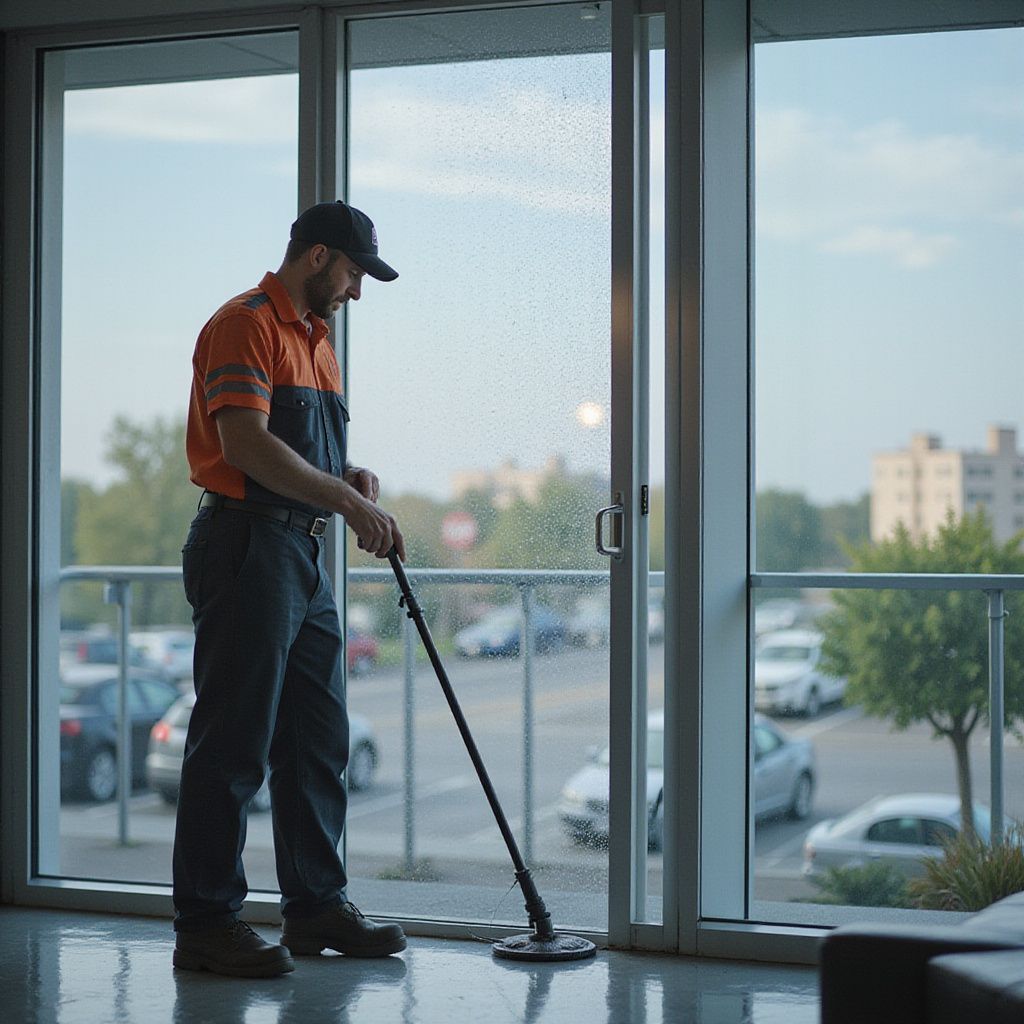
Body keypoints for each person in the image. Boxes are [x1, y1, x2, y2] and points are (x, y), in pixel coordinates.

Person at [172, 201, 407, 978]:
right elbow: (243, 443)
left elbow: (289, 448)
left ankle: (315, 909)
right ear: (316, 258)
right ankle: (207, 924)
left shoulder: (321, 340)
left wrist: (343, 475)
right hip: (246, 547)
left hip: (299, 556)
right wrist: (347, 502)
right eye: (353, 272)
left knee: (316, 740)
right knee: (233, 743)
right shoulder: (247, 323)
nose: (357, 290)